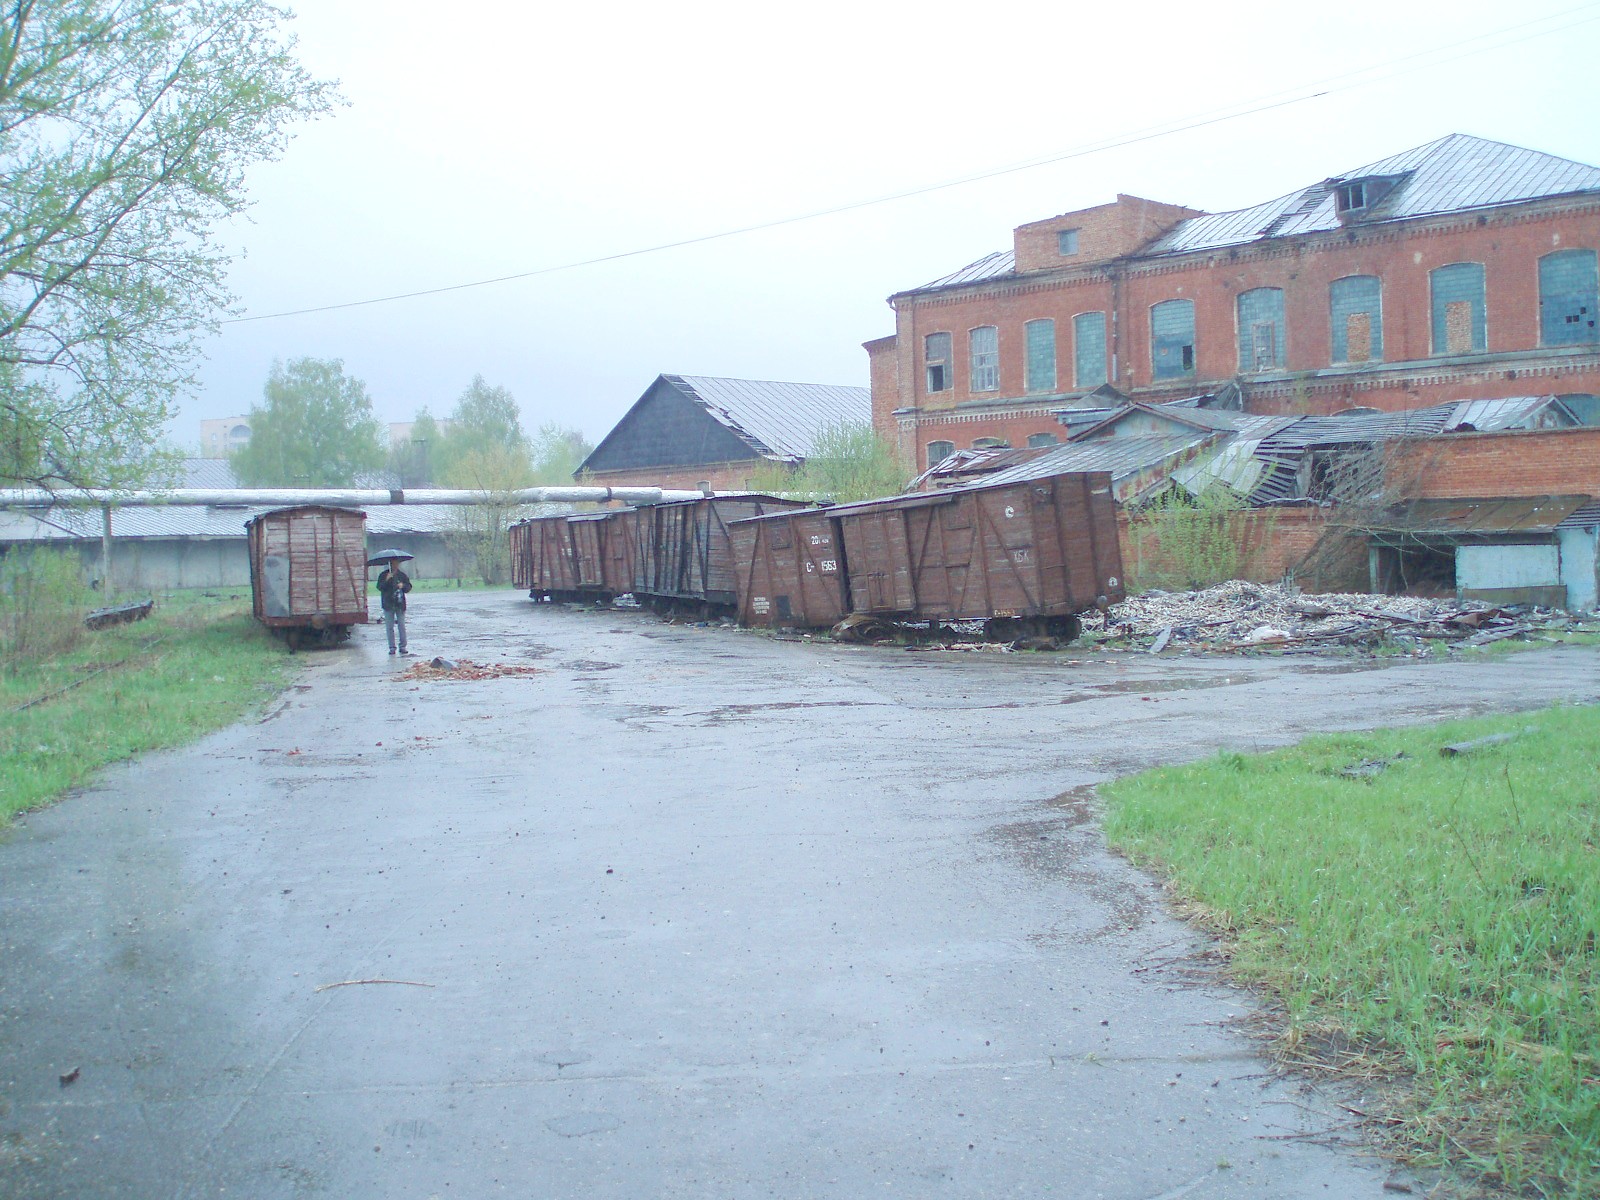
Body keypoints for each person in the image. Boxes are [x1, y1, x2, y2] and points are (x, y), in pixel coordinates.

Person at [376, 558, 412, 655]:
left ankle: (403, 646)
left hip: (400, 604)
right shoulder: (383, 575)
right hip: (388, 604)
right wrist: (387, 580)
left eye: (396, 563)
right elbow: (379, 587)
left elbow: (409, 587)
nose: (394, 565)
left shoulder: (402, 575)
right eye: (392, 564)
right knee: (389, 627)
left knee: (401, 625)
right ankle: (392, 647)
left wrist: (403, 586)